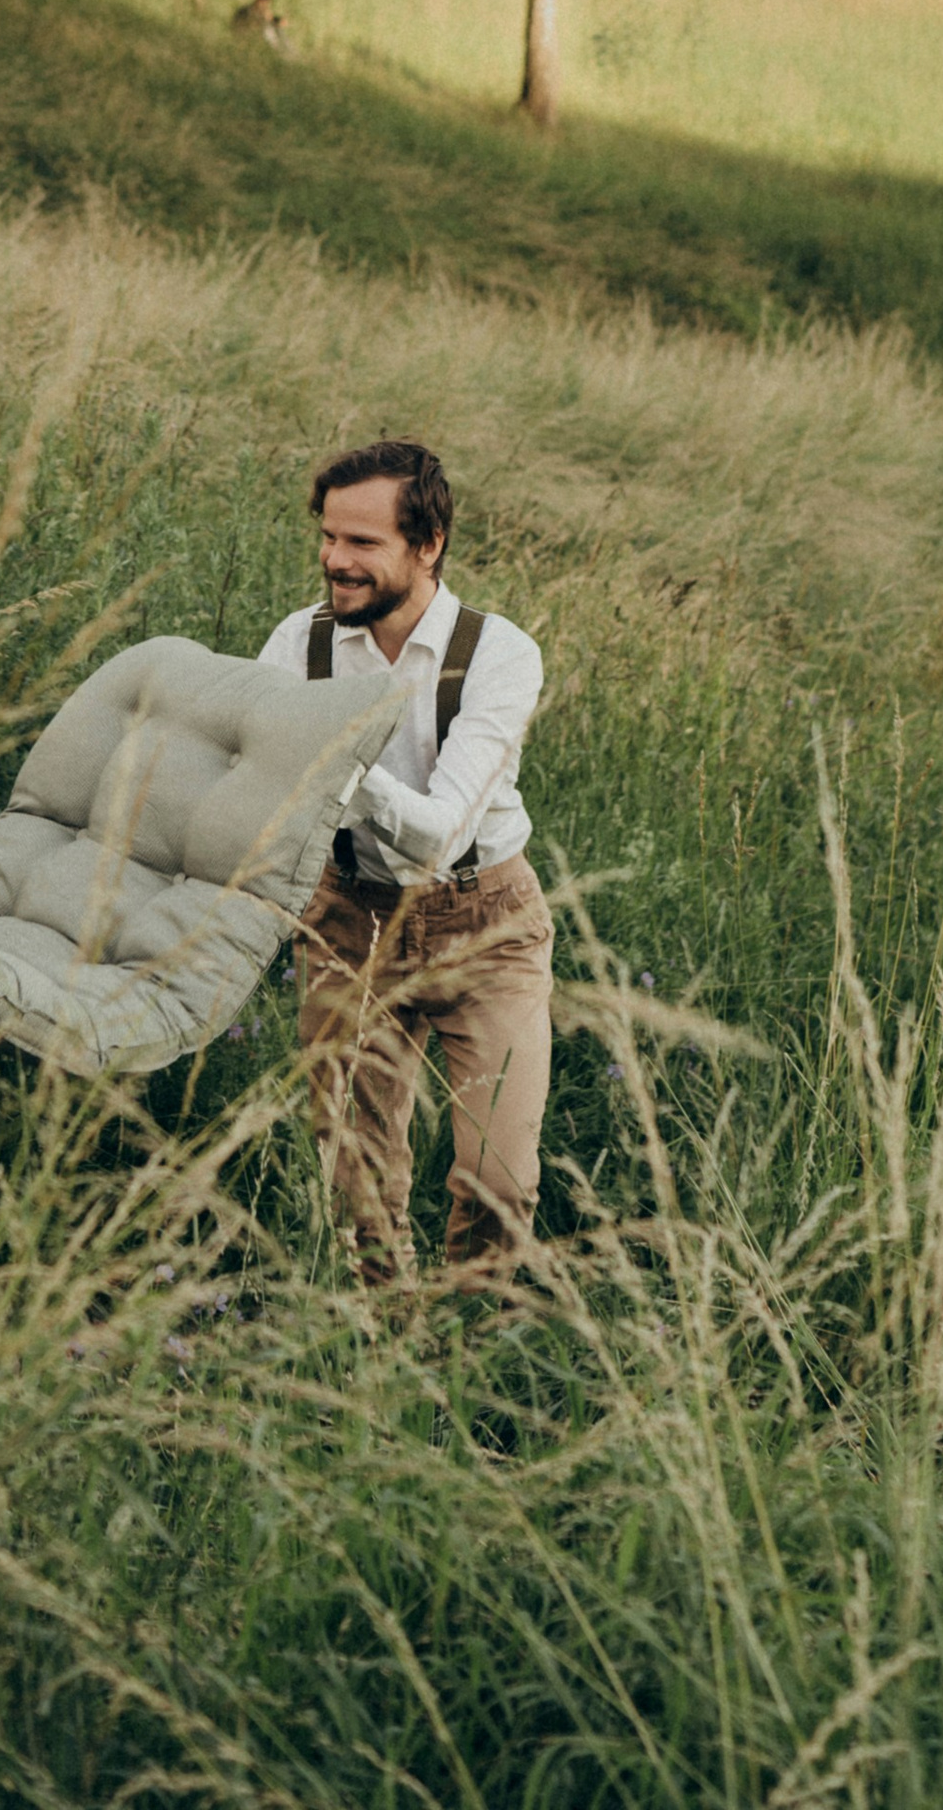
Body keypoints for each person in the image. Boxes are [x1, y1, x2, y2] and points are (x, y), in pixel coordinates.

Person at [259, 437, 552, 1287]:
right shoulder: (298, 644)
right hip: (348, 914)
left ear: (428, 547)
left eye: (362, 544)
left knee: (499, 1183)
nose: (333, 561)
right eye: (327, 538)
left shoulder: (500, 655)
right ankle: (385, 1353)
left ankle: (469, 1354)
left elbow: (436, 836)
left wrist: (337, 766)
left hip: (484, 918)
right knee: (355, 1181)